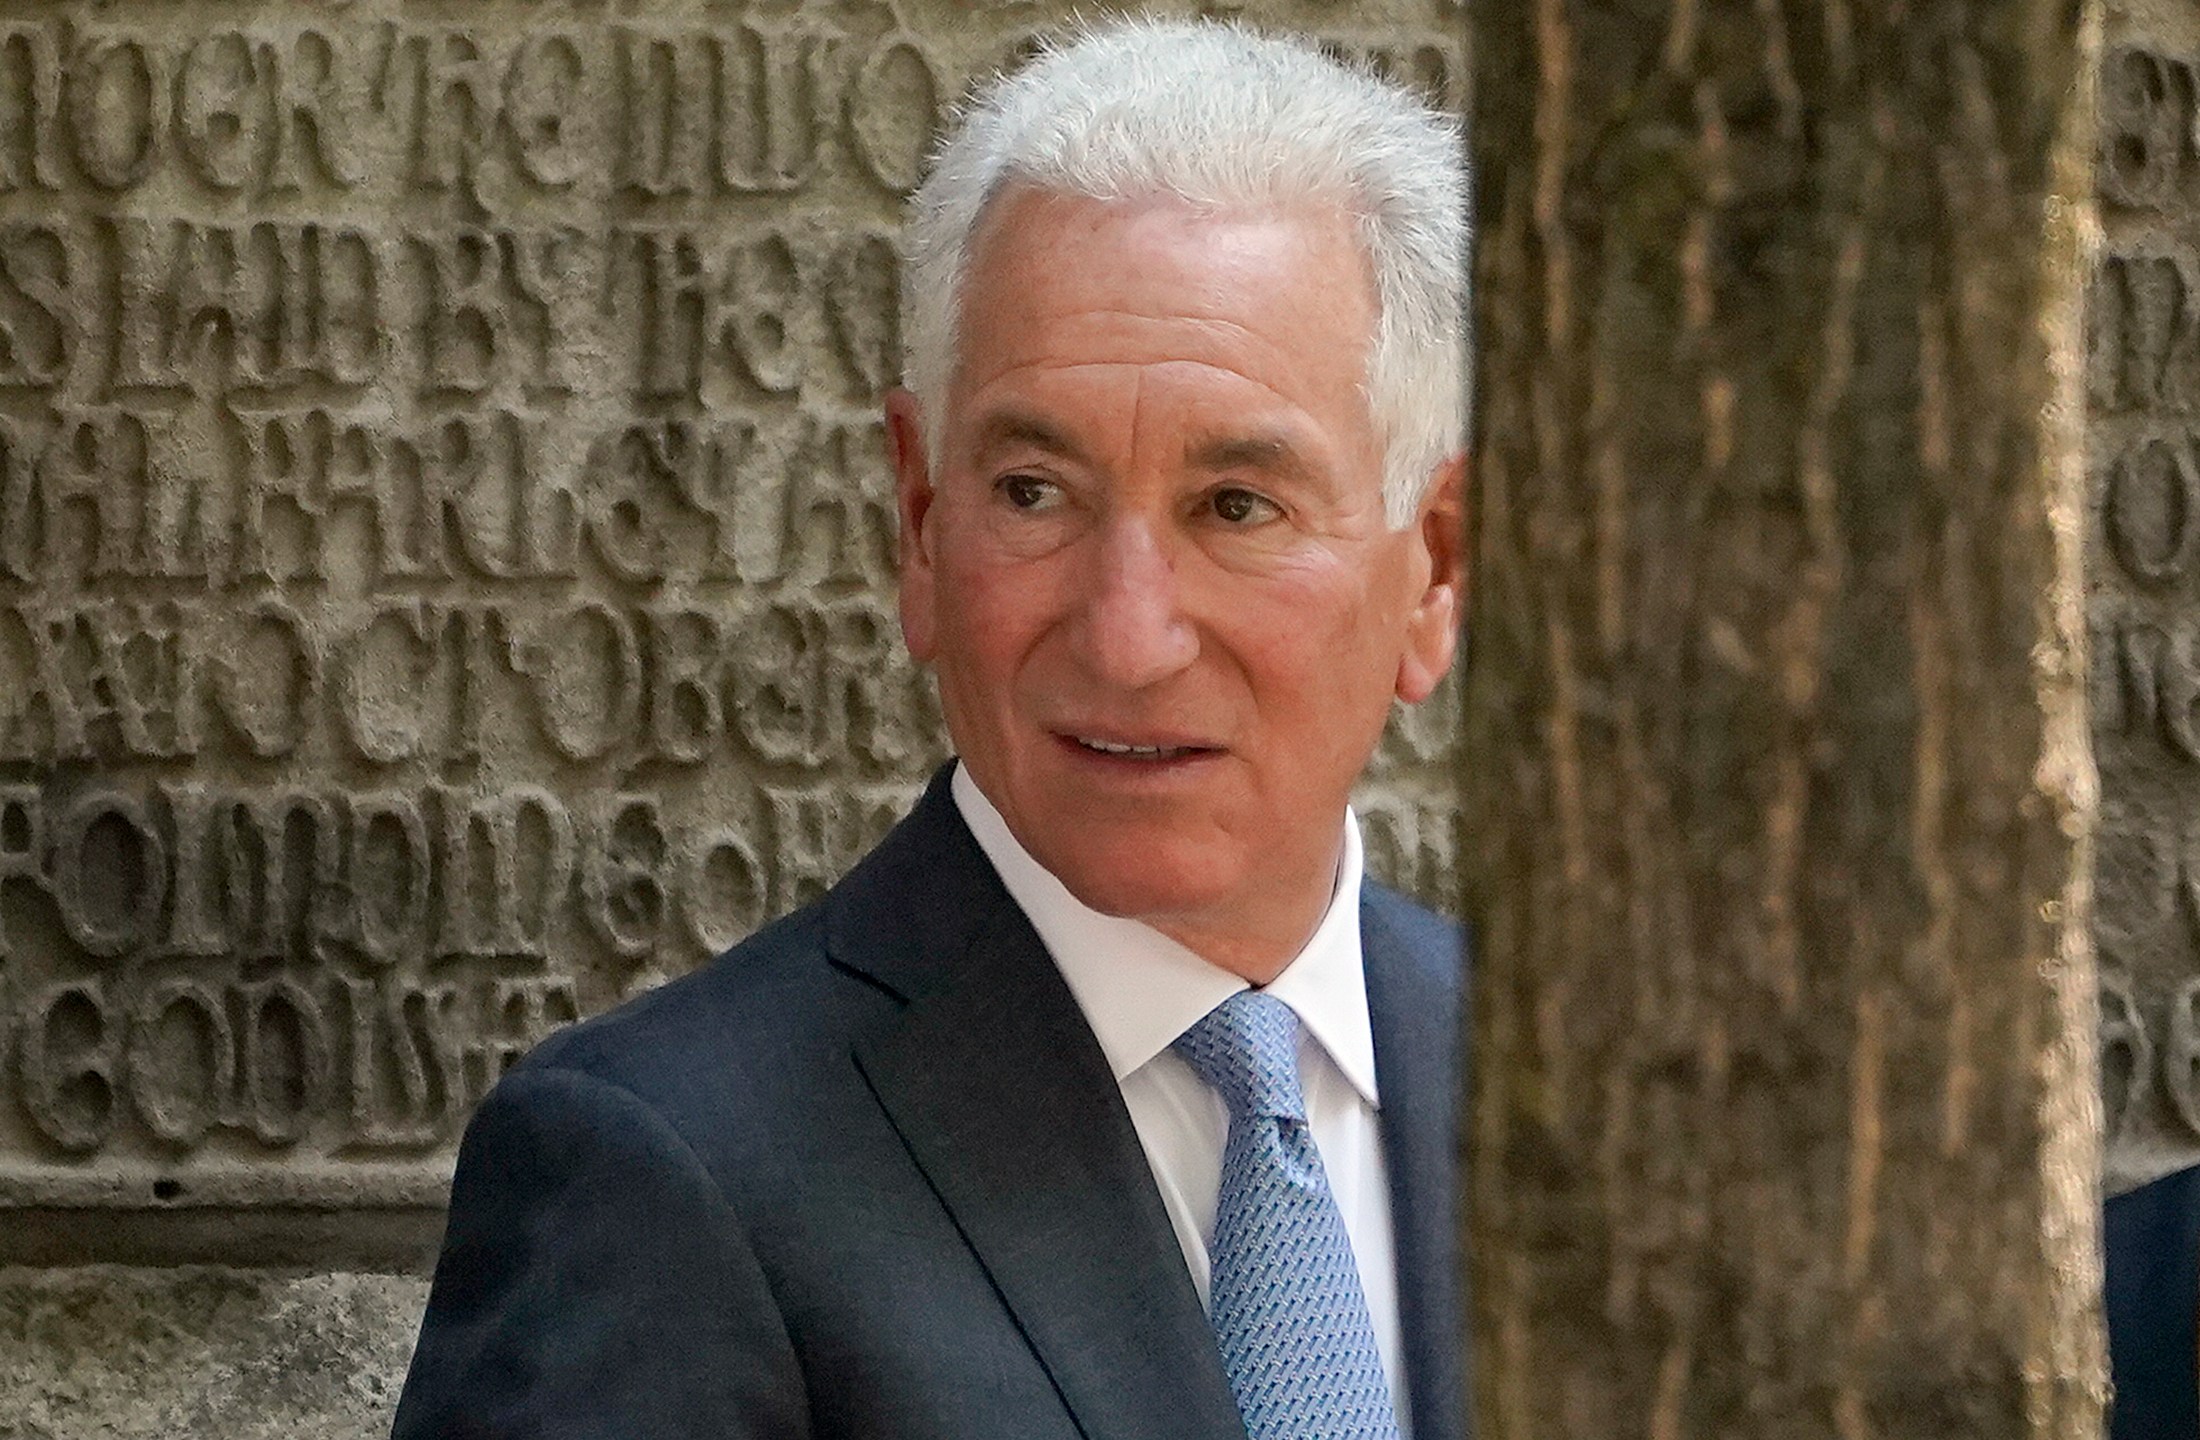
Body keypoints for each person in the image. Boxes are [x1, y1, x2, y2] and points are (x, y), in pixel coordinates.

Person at [389, 16, 1470, 1440]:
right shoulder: (660, 1176)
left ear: (1434, 570)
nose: (1126, 636)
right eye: (1034, 491)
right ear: (919, 522)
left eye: (1236, 508)